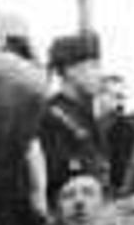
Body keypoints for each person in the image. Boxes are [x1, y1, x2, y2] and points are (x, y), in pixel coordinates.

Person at [38, 32, 112, 194]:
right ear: (70, 70)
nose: (100, 74)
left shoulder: (86, 116)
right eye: (93, 66)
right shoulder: (51, 117)